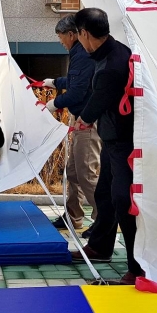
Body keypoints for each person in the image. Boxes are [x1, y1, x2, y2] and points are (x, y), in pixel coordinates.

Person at [70, 7, 144, 285]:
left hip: (125, 142)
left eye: (78, 35)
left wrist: (82, 120)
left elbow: (96, 103)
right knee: (105, 193)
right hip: (114, 138)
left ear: (85, 33)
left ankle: (138, 269)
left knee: (123, 200)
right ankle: (100, 247)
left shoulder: (112, 65)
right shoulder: (113, 52)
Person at [43, 15, 99, 237]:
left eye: (61, 37)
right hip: (80, 121)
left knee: (86, 173)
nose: (61, 42)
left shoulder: (82, 54)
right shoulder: (79, 54)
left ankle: (102, 220)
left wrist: (54, 103)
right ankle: (73, 216)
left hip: (88, 121)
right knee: (73, 172)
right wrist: (56, 82)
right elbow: (77, 82)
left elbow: (78, 91)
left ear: (72, 34)